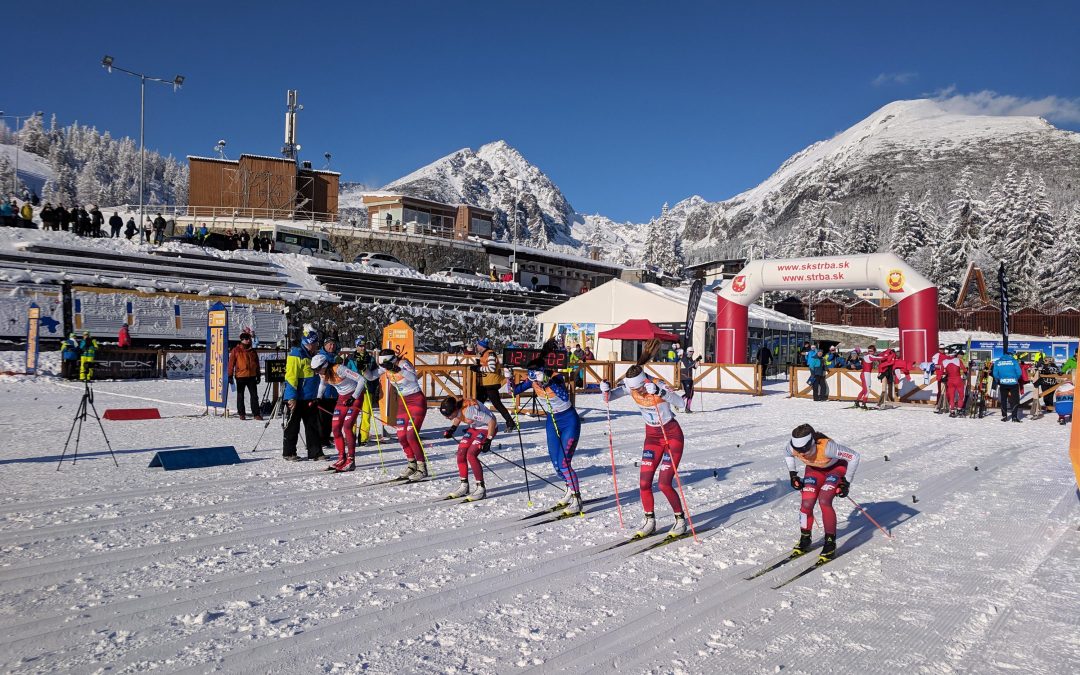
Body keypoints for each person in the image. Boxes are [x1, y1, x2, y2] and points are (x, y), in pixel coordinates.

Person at [601, 366, 690, 538]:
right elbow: (609, 397)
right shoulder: (630, 386)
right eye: (634, 390)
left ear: (645, 382)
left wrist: (660, 393)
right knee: (644, 483)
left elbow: (681, 403)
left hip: (671, 435)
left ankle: (680, 520)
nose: (638, 392)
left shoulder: (658, 384)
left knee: (664, 483)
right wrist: (605, 391)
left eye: (640, 389)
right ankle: (650, 521)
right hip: (652, 437)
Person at [509, 355, 583, 515]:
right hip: (552, 421)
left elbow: (563, 395)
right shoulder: (533, 380)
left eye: (536, 375)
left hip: (569, 421)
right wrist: (509, 379)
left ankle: (577, 499)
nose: (534, 380)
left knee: (564, 463)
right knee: (556, 465)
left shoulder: (557, 378)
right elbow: (514, 391)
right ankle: (570, 489)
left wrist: (547, 381)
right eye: (531, 376)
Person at [784, 423, 861, 561]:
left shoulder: (827, 447)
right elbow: (788, 454)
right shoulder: (792, 447)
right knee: (807, 503)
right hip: (814, 471)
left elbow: (854, 456)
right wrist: (793, 475)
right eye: (798, 449)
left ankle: (830, 543)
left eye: (805, 449)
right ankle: (805, 539)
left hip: (835, 469)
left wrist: (846, 482)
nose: (801, 453)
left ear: (812, 442)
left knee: (824, 500)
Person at [370, 348, 429, 480]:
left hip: (416, 400)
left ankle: (422, 467)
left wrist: (397, 369)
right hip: (403, 402)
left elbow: (413, 377)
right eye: (383, 365)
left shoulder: (403, 363)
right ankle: (411, 465)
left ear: (393, 360)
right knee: (401, 435)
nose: (385, 368)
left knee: (411, 435)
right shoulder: (385, 366)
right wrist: (364, 368)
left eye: (386, 365)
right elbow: (371, 376)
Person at [311, 353, 368, 472]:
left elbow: (362, 379)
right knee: (336, 428)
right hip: (342, 399)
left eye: (318, 369)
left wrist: (353, 397)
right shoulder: (323, 373)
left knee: (347, 427)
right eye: (315, 370)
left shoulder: (339, 369)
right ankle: (342, 457)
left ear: (325, 365)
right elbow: (323, 384)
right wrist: (318, 398)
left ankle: (351, 460)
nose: (317, 372)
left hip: (355, 397)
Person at [440, 395, 497, 500]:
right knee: (461, 453)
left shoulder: (469, 411)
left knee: (471, 455)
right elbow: (458, 415)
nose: (446, 417)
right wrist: (452, 429)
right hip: (475, 428)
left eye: (448, 415)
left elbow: (492, 421)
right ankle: (464, 486)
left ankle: (481, 489)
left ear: (454, 409)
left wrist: (488, 440)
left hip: (487, 428)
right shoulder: (457, 409)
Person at [458, 338, 515, 434]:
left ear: (482, 346)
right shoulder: (484, 354)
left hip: (491, 383)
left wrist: (478, 368)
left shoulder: (490, 354)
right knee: (476, 404)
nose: (476, 347)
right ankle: (475, 425)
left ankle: (510, 423)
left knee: (496, 404)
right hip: (485, 383)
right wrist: (478, 365)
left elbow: (491, 368)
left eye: (478, 345)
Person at [283, 333, 326, 461]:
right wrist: (291, 397)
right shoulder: (296, 355)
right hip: (296, 398)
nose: (316, 346)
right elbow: (291, 377)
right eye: (315, 343)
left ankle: (315, 452)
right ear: (309, 343)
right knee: (292, 426)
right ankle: (289, 452)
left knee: (313, 425)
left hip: (309, 397)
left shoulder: (314, 356)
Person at [229, 332, 263, 421]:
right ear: (242, 340)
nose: (248, 340)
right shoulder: (236, 350)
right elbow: (231, 364)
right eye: (246, 339)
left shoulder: (253, 351)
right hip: (240, 376)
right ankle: (241, 413)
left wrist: (258, 374)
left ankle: (256, 413)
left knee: (254, 396)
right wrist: (230, 375)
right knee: (240, 395)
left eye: (249, 338)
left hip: (251, 376)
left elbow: (257, 364)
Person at [316, 336, 341, 447]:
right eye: (329, 344)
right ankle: (321, 439)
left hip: (335, 392)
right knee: (322, 418)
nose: (331, 346)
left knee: (332, 418)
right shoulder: (320, 357)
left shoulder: (336, 357)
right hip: (324, 393)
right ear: (324, 345)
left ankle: (326, 437)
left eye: (333, 344)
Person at [992, 350, 1023, 423]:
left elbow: (995, 374)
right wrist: (1015, 378)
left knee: (1003, 400)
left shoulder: (997, 362)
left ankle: (1004, 416)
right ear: (1011, 355)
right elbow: (1019, 373)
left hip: (1003, 383)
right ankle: (1014, 417)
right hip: (1013, 383)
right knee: (1014, 400)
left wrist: (999, 380)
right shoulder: (1014, 361)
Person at [940, 349, 967, 417]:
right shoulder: (958, 360)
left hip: (950, 380)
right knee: (961, 396)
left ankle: (952, 411)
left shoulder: (944, 361)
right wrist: (966, 373)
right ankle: (959, 409)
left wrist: (944, 376)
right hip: (958, 379)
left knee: (951, 397)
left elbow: (941, 372)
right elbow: (964, 369)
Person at [677, 347, 702, 412]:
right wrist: (696, 360)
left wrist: (697, 362)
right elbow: (688, 366)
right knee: (688, 393)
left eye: (692, 352)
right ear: (687, 351)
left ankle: (687, 408)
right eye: (690, 351)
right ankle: (676, 402)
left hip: (689, 378)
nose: (691, 353)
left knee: (691, 393)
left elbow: (693, 366)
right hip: (684, 378)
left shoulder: (690, 358)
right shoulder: (684, 358)